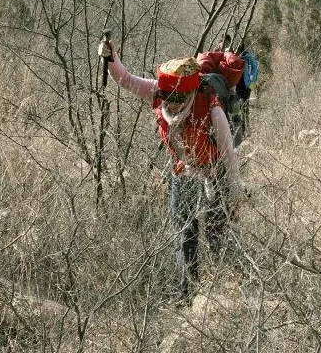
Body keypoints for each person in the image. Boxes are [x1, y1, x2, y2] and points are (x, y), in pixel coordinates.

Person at [97, 41, 243, 306]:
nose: (171, 104)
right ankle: (187, 295)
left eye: (177, 98)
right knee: (184, 232)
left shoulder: (213, 109)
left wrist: (234, 196)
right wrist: (111, 58)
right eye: (167, 96)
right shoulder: (159, 91)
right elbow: (126, 80)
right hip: (184, 173)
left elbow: (229, 157)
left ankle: (241, 283)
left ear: (189, 93)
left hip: (215, 174)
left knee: (215, 233)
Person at [235, 41, 258, 136]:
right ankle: (240, 131)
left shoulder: (249, 57)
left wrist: (251, 86)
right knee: (238, 108)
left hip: (246, 86)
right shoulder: (234, 57)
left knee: (244, 107)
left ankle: (246, 130)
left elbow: (255, 71)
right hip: (236, 86)